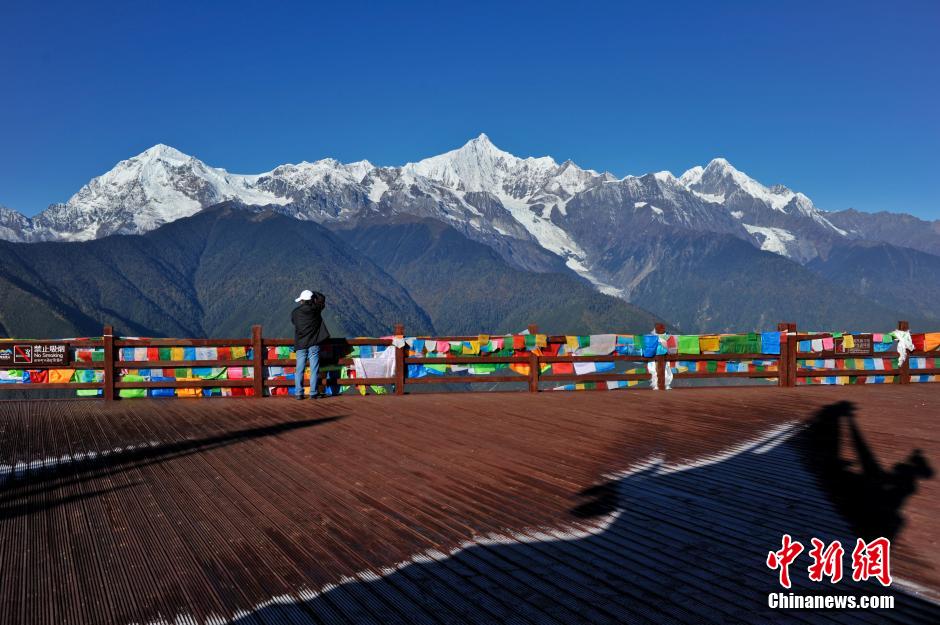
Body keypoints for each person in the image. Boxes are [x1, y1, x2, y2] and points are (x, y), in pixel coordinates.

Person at [291, 289, 330, 400]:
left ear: (302, 300)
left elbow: (294, 322)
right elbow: (322, 299)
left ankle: (299, 393)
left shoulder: (295, 312)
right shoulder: (316, 309)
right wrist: (313, 293)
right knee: (314, 369)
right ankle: (313, 392)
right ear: (312, 299)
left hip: (300, 344)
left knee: (299, 369)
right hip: (314, 343)